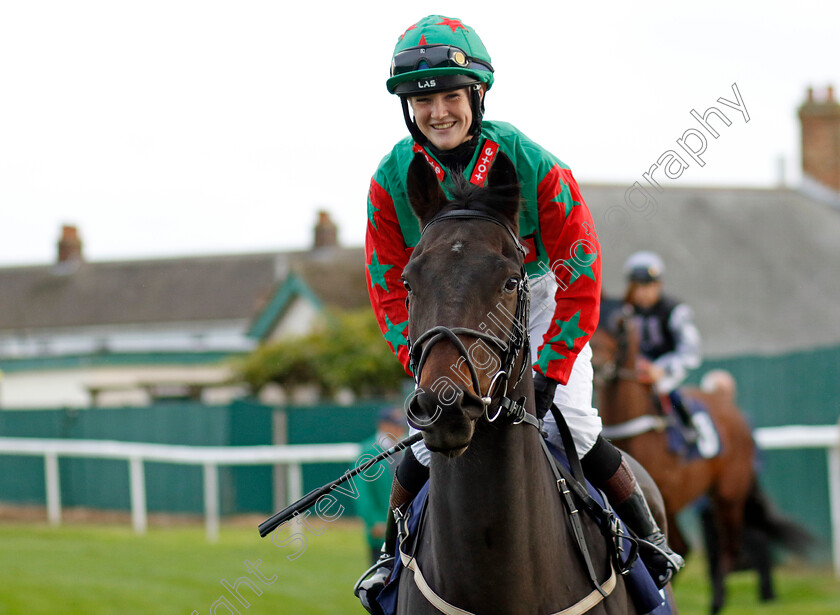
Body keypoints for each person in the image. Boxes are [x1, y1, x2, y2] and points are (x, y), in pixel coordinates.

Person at [358, 16, 684, 610]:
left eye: (450, 96)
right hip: (446, 317)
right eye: (423, 99)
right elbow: (386, 283)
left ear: (476, 95)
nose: (438, 112)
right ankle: (388, 563)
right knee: (423, 440)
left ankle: (648, 559)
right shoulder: (389, 182)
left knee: (578, 426)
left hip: (537, 296)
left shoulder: (532, 163)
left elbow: (581, 268)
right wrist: (421, 357)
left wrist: (551, 370)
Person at [623, 251, 702, 439]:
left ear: (659, 285)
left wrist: (661, 369)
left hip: (666, 368)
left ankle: (688, 429)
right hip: (636, 370)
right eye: (637, 286)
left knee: (666, 389)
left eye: (648, 285)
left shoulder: (674, 310)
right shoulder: (626, 311)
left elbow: (691, 351)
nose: (642, 292)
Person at [355, 407, 408, 565]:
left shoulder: (406, 450)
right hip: (381, 528)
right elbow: (362, 491)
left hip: (405, 527)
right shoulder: (368, 451)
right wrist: (372, 521)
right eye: (395, 425)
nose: (399, 429)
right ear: (383, 425)